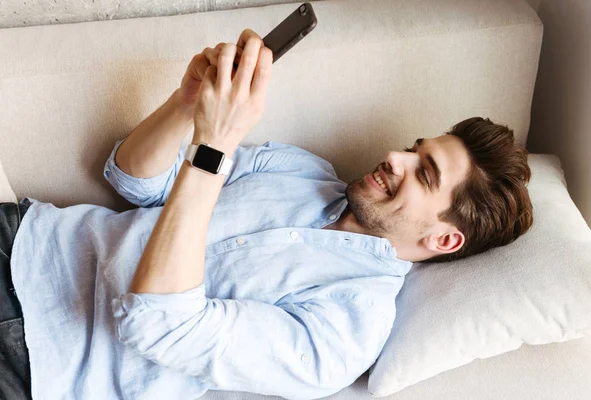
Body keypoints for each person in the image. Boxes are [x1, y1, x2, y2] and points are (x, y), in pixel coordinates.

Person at [0, 29, 533, 400]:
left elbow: (160, 325)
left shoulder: (348, 328)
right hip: (27, 235)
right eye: (415, 149)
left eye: (424, 174)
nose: (397, 158)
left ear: (444, 240)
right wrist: (188, 101)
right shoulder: (301, 169)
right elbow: (132, 177)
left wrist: (213, 145)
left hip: (38, 355)